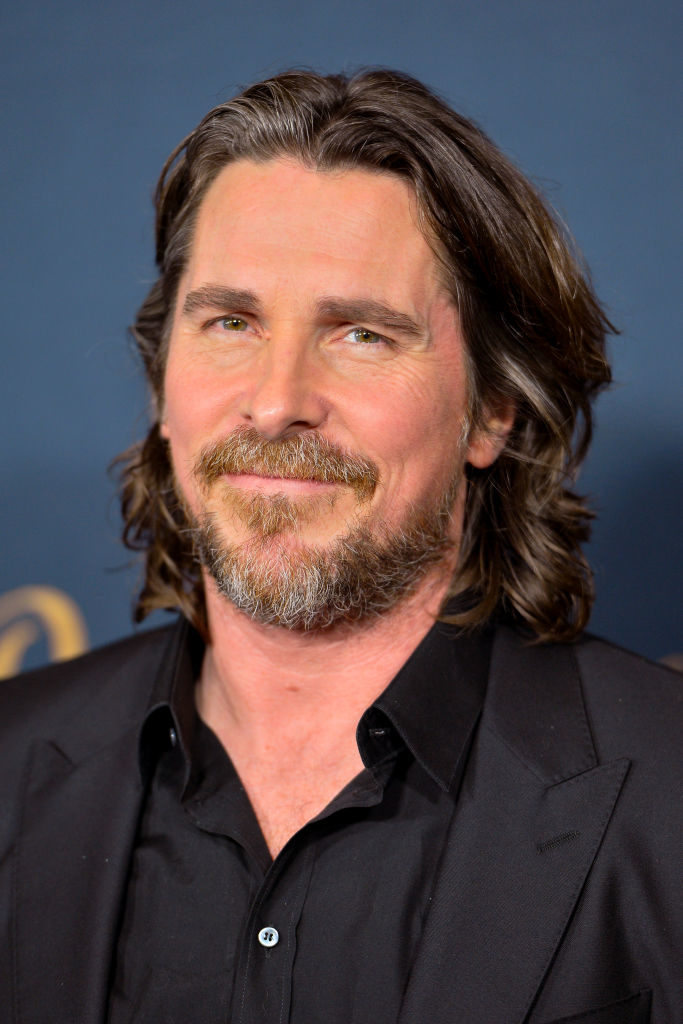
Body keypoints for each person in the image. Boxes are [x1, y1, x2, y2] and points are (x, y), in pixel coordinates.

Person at [0, 70, 680, 1024]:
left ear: (491, 408)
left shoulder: (665, 789)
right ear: (161, 385)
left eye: (360, 334)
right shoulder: (11, 758)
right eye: (230, 323)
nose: (278, 400)